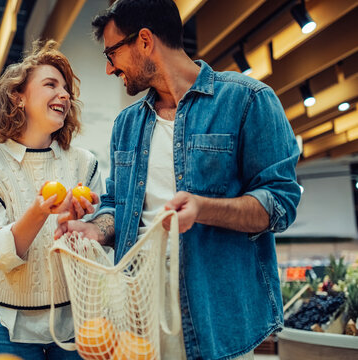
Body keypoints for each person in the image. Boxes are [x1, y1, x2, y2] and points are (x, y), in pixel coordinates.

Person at [55, 1, 302, 359]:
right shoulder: (127, 125)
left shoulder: (248, 100)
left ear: (144, 40)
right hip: (138, 319)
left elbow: (280, 203)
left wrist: (204, 209)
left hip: (217, 320)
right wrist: (96, 229)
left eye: (111, 53)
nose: (109, 68)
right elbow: (116, 206)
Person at [0, 40, 102, 359]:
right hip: (10, 326)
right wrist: (39, 212)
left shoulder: (85, 163)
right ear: (18, 96)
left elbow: (102, 237)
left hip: (75, 324)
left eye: (66, 89)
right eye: (51, 84)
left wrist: (84, 224)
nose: (64, 95)